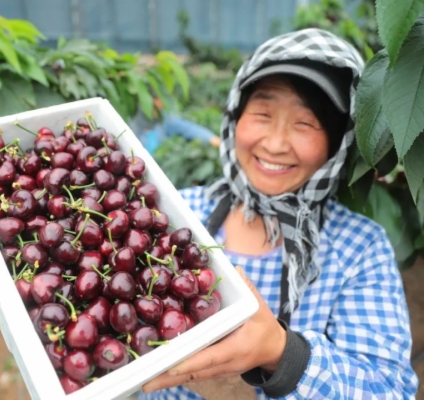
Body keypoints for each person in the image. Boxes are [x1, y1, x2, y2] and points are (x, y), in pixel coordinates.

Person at [138, 28, 419, 399]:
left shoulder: (358, 249)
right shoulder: (175, 215)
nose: (274, 143)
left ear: (337, 144)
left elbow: (390, 391)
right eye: (262, 113)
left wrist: (283, 355)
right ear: (236, 116)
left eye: (304, 123)